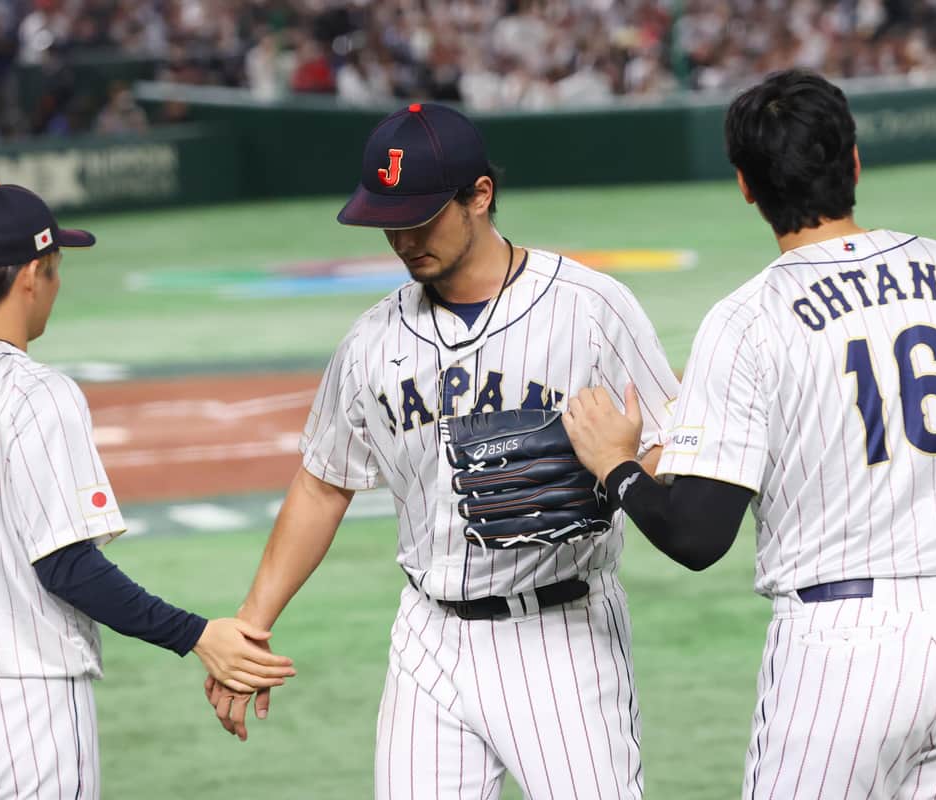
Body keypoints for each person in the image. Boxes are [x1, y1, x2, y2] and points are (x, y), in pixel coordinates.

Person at [560, 68, 936, 798]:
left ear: (746, 185)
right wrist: (933, 530)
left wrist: (617, 466)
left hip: (841, 650)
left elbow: (698, 537)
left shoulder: (750, 320)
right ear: (854, 161)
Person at [205, 102, 679, 799]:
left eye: (421, 216)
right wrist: (252, 622)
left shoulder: (588, 307)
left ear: (480, 196)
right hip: (429, 636)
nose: (402, 238)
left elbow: (674, 439)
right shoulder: (372, 340)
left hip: (561, 632)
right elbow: (323, 481)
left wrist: (617, 473)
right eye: (388, 221)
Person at [0, 181, 296, 798]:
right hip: (23, 707)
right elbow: (67, 566)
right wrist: (195, 635)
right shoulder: (35, 391)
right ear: (30, 275)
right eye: (55, 269)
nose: (55, 285)